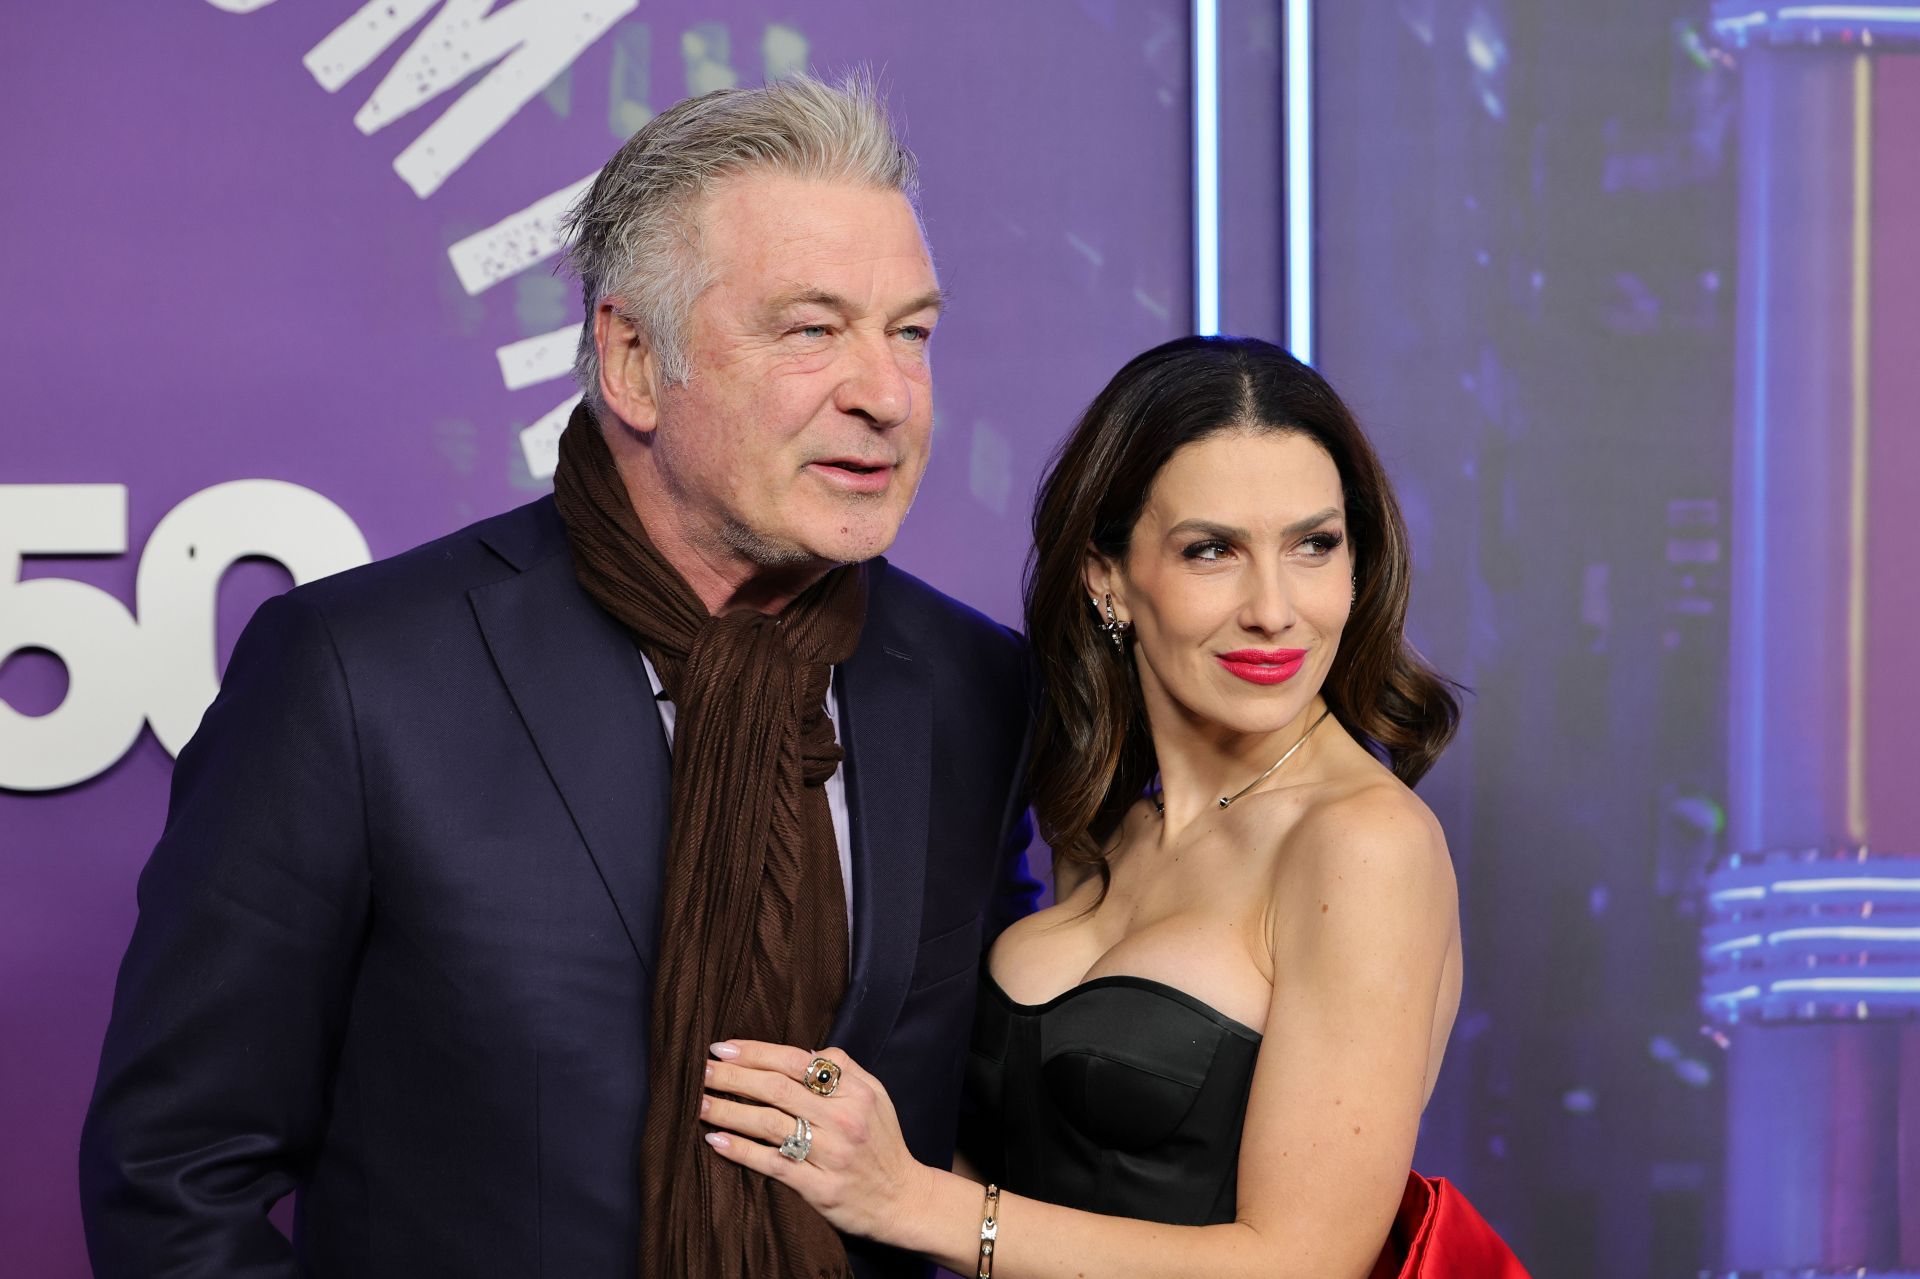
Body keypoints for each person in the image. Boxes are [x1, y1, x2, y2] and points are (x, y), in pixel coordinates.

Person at [79, 75, 1037, 1279]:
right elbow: (175, 1175)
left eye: (911, 333)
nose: (886, 394)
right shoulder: (358, 675)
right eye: (811, 329)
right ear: (632, 359)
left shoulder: (971, 688)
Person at [695, 336, 1530, 1277]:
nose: (1274, 608)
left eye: (1314, 545)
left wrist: (914, 1200)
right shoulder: (1101, 817)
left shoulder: (1364, 843)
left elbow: (1303, 1261)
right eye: (1213, 549)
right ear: (1107, 578)